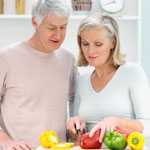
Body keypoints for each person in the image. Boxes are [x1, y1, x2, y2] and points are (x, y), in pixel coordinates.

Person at [0, 0, 76, 149]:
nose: (58, 35)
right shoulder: (6, 58)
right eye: (52, 27)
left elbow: (75, 105)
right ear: (35, 22)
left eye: (63, 27)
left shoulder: (68, 60)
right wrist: (5, 140)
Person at [67, 14, 150, 146]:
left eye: (98, 44)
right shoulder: (82, 80)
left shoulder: (132, 73)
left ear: (113, 43)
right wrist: (74, 127)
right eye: (85, 44)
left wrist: (116, 121)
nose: (90, 50)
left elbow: (148, 126)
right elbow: (77, 136)